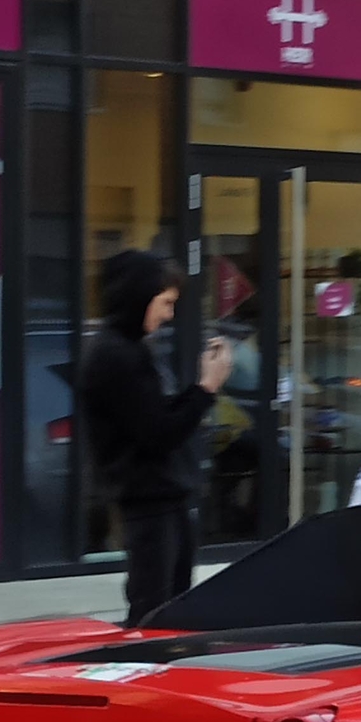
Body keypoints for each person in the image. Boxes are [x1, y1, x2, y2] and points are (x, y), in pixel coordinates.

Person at [80, 249, 233, 626]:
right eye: (165, 303)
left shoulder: (131, 349)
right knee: (155, 611)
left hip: (167, 497)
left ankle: (165, 667)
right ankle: (145, 675)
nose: (169, 314)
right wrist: (207, 389)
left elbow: (159, 416)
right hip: (149, 502)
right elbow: (158, 433)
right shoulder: (115, 355)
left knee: (174, 607)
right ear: (139, 296)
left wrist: (201, 386)